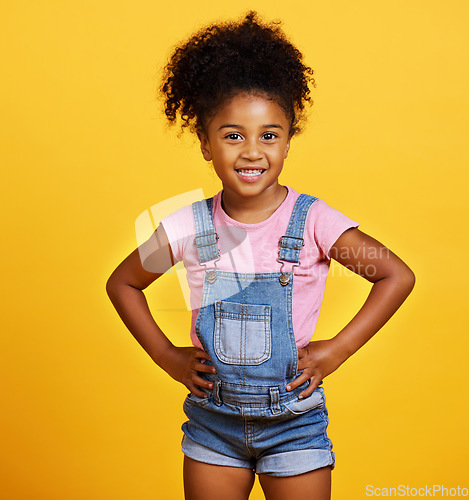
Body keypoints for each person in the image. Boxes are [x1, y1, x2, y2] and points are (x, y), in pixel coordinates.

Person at [106, 11, 415, 500]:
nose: (252, 151)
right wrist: (166, 356)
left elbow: (394, 275)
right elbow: (122, 283)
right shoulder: (189, 226)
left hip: (294, 426)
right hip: (213, 426)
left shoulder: (313, 222)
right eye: (233, 135)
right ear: (205, 144)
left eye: (269, 135)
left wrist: (338, 349)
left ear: (289, 140)